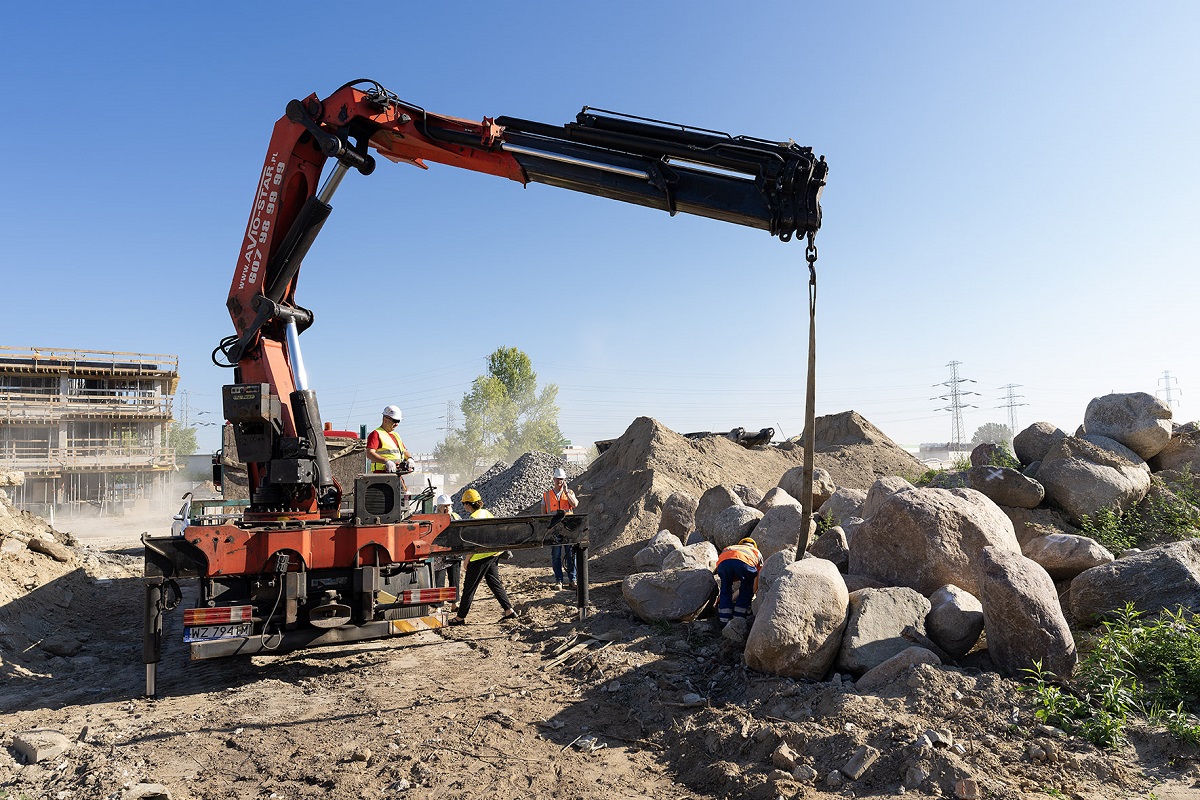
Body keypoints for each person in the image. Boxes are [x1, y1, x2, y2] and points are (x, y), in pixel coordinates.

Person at [450, 488, 517, 625]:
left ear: (468, 504)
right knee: (494, 583)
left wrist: (466, 560)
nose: (463, 506)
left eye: (464, 503)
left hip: (479, 558)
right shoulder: (486, 513)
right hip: (492, 554)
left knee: (469, 588)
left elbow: (472, 544)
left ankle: (460, 617)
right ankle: (509, 610)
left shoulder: (474, 518)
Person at [542, 467, 578, 590]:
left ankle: (573, 579)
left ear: (564, 480)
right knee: (556, 555)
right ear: (553, 479)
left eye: (561, 479)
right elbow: (544, 514)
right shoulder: (546, 495)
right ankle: (559, 580)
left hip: (568, 529)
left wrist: (567, 492)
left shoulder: (570, 493)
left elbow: (575, 505)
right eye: (557, 479)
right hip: (555, 530)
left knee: (570, 555)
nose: (559, 482)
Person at [715, 537, 763, 624]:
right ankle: (739, 617)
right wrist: (753, 592)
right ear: (754, 546)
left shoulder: (730, 547)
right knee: (746, 588)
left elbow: (720, 564)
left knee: (725, 588)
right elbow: (758, 575)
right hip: (744, 563)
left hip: (723, 564)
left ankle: (724, 620)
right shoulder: (755, 551)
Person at [366, 405, 409, 475]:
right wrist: (386, 461)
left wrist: (410, 459)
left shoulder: (396, 435)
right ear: (385, 419)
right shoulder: (376, 434)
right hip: (381, 475)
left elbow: (404, 451)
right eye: (395, 421)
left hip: (396, 473)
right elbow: (370, 454)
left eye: (399, 421)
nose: (397, 424)